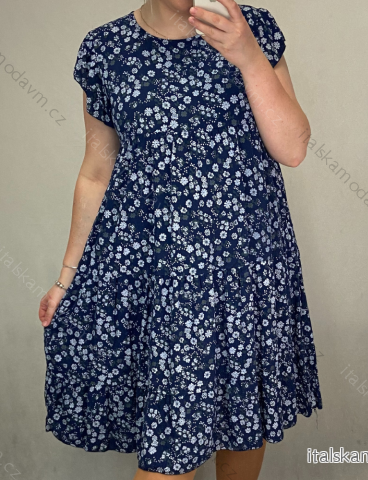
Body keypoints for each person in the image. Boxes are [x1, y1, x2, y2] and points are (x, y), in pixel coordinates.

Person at [38, 0, 323, 478]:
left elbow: (292, 148)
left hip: (245, 268)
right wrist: (66, 277)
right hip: (160, 276)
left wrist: (248, 55)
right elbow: (96, 171)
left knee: (243, 417)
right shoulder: (106, 49)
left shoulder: (252, 28)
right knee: (170, 449)